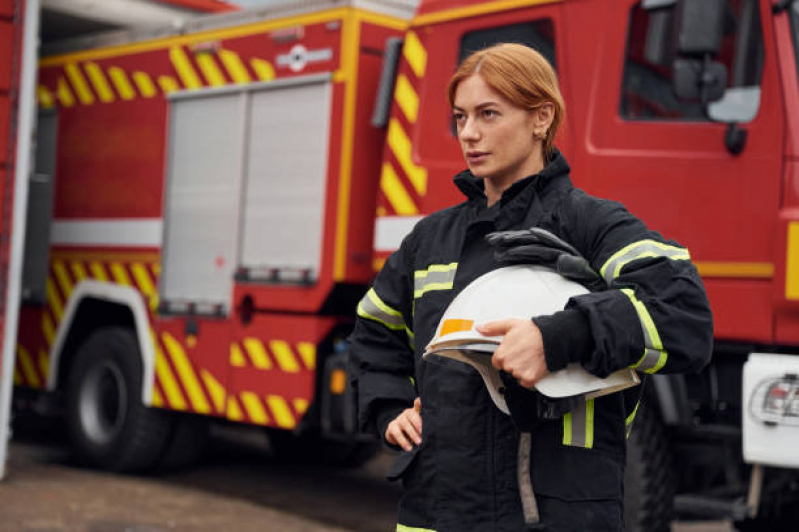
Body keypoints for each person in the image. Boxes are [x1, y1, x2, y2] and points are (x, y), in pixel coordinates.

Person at [348, 43, 713, 532]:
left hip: (558, 514)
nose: (469, 133)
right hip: (438, 511)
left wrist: (558, 336)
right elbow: (374, 331)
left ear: (541, 118)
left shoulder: (591, 225)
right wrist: (388, 406)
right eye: (460, 117)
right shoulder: (429, 240)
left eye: (488, 113)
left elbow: (684, 314)